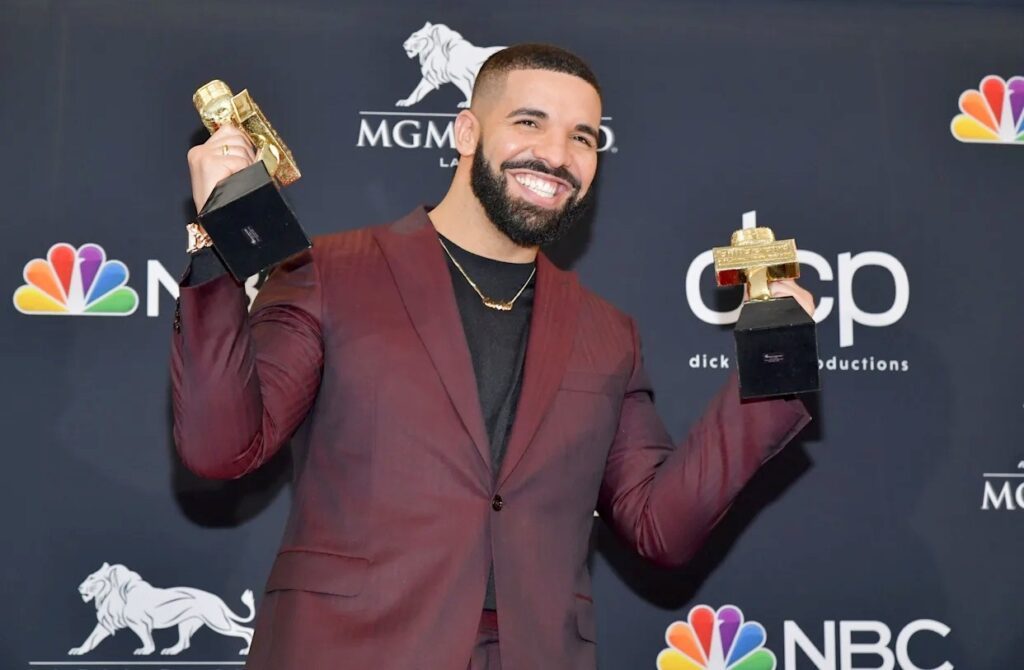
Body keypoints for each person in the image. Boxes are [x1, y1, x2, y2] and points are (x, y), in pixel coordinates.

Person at [172, 43, 813, 670]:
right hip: (350, 648)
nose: (557, 156)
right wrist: (219, 236)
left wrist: (774, 359)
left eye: (584, 138)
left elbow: (661, 528)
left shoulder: (607, 332)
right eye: (529, 122)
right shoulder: (330, 272)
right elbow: (222, 446)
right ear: (467, 132)